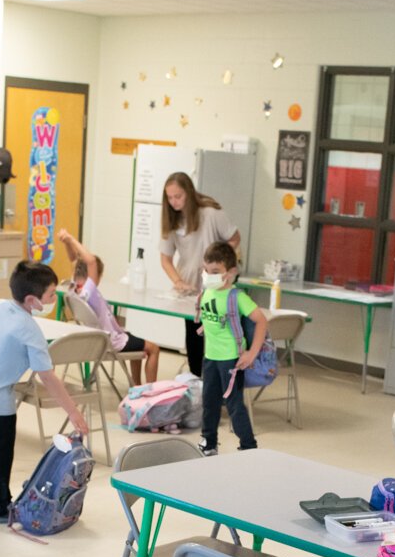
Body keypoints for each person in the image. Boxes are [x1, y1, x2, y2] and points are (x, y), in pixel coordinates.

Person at [0, 260, 90, 523]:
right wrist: (73, 412)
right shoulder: (29, 329)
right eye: (49, 295)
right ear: (31, 300)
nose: (52, 299)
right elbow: (47, 376)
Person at [160, 172, 240, 375]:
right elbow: (166, 259)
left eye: (178, 196)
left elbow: (234, 238)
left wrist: (218, 264)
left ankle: (220, 379)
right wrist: (177, 281)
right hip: (190, 287)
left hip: (215, 285)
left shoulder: (211, 214)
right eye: (169, 198)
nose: (174, 202)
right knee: (194, 334)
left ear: (189, 192)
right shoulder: (171, 219)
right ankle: (196, 380)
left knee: (216, 333)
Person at [56, 228, 159, 384]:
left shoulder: (73, 289)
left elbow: (73, 260)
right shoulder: (89, 291)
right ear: (97, 275)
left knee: (137, 343)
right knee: (153, 349)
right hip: (111, 342)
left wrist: (67, 243)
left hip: (96, 339)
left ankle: (137, 387)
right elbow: (90, 261)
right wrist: (70, 238)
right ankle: (152, 391)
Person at [197, 241, 267, 456]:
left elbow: (262, 321)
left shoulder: (238, 297)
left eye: (215, 272)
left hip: (231, 360)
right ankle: (209, 443)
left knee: (234, 405)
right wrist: (205, 327)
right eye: (206, 271)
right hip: (210, 357)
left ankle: (248, 446)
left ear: (231, 272)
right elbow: (216, 318)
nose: (209, 276)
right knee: (209, 402)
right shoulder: (208, 292)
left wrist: (251, 353)